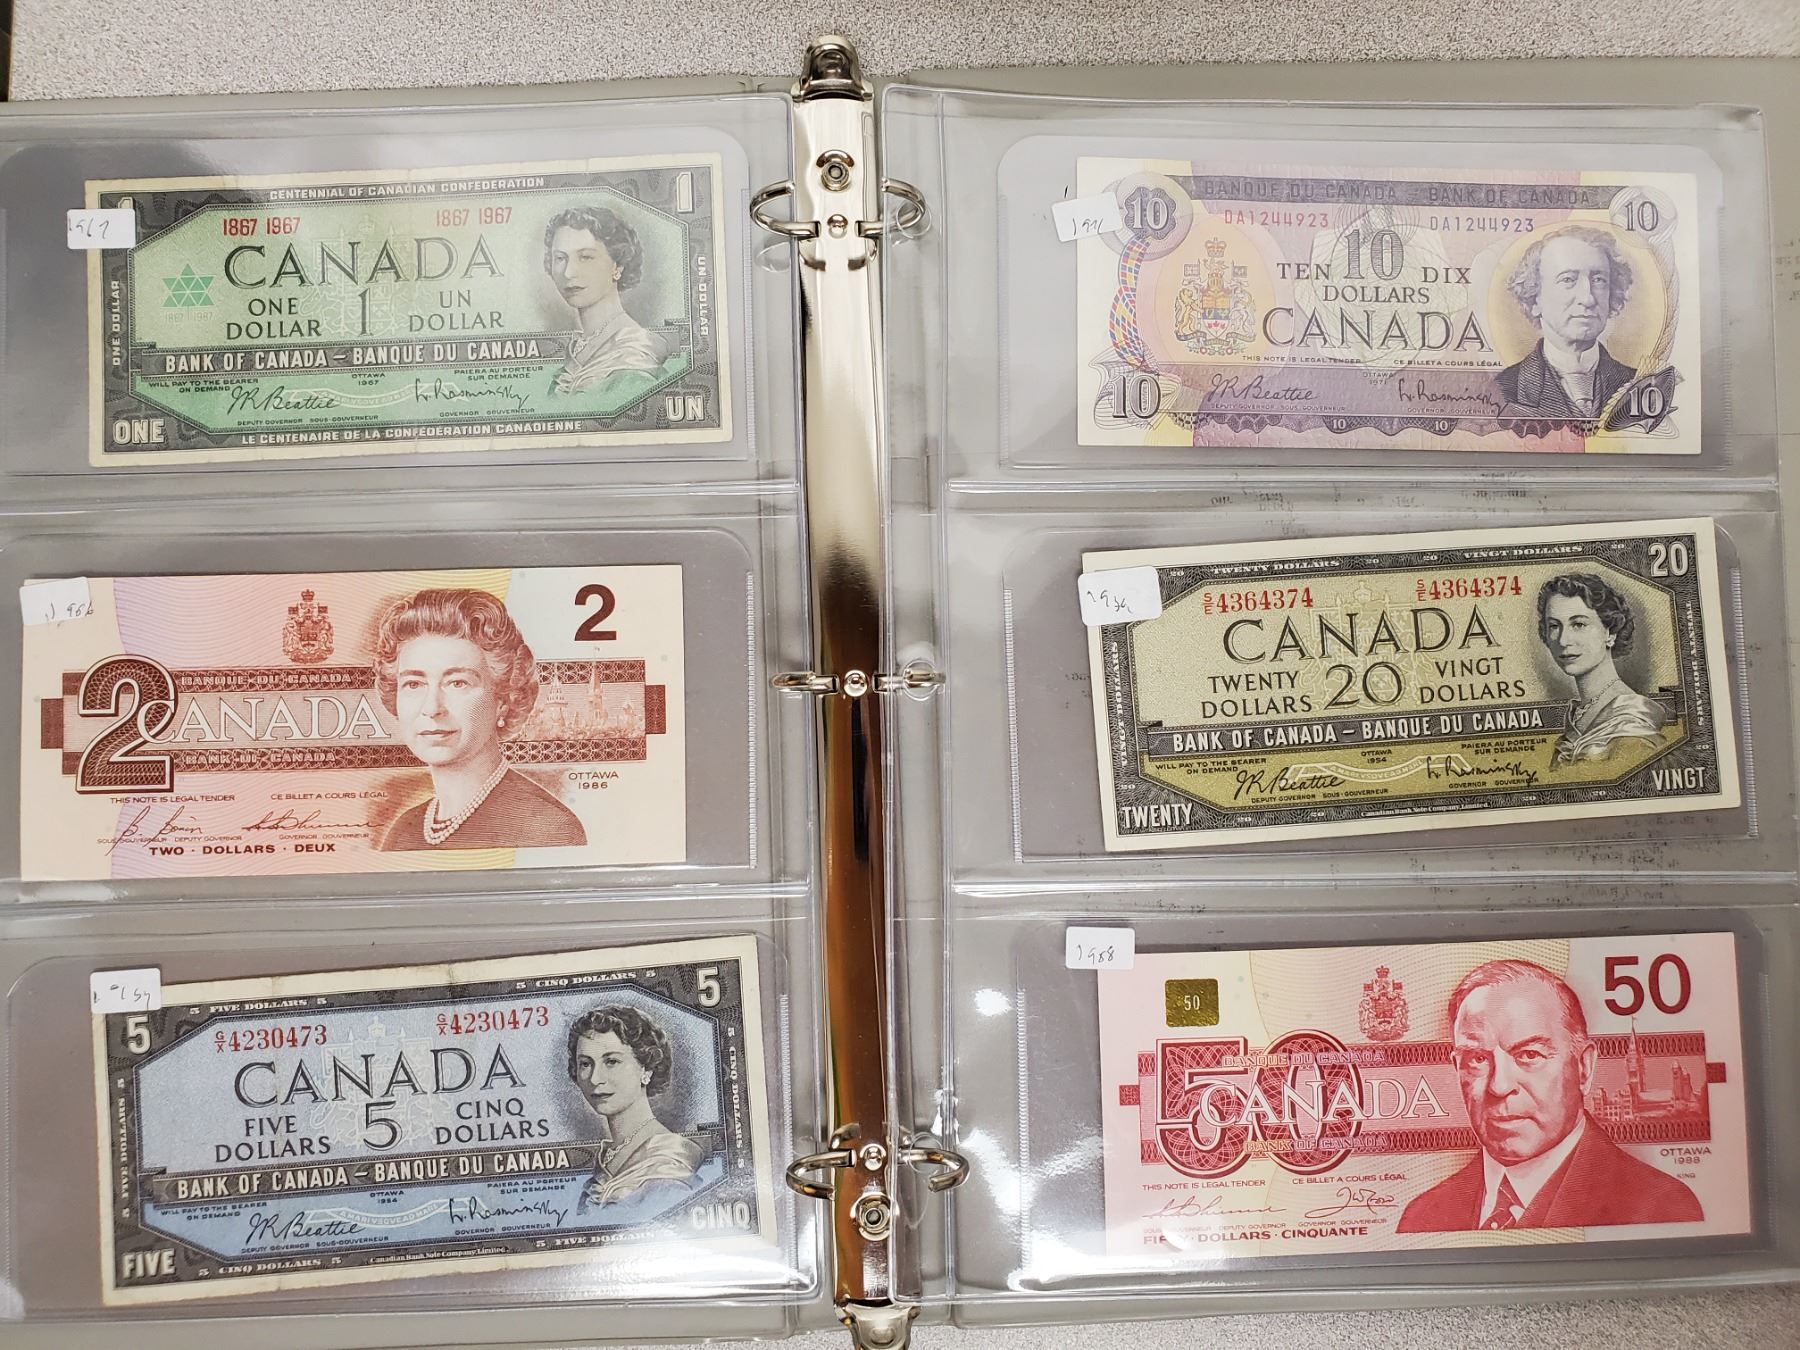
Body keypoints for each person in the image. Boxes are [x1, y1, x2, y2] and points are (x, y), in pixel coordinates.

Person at [1397, 959, 1702, 1232]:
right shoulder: (1421, 1217)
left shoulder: (1663, 1208)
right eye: (1477, 1059)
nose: (1499, 1086)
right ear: (1457, 1069)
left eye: (1529, 1054)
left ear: (1583, 1068)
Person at [374, 588, 586, 850]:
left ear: (504, 697)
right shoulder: (404, 832)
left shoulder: (547, 828)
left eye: (457, 683)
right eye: (414, 684)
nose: (432, 708)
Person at [567, 1004, 704, 1208]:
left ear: (646, 1069)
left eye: (611, 1062)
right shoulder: (606, 1158)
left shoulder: (669, 1166)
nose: (595, 1079)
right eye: (586, 1064)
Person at [1496, 225, 1637, 419]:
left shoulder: (1638, 385)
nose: (1588, 299)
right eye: (1568, 279)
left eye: (1598, 280)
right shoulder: (1500, 391)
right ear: (1534, 299)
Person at [1536, 572, 1668, 765]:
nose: (1563, 641)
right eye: (1554, 626)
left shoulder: (1632, 723)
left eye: (1578, 624)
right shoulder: (1578, 714)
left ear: (1610, 632)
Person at [543, 205, 663, 393]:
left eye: (585, 257)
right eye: (560, 258)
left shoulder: (635, 357)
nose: (568, 272)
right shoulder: (576, 350)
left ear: (618, 266)